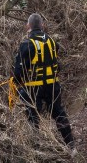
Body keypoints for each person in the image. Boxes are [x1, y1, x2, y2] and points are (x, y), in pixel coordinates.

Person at [11, 13, 74, 149]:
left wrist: (16, 82)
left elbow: (18, 72)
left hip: (34, 88)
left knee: (32, 116)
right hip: (53, 85)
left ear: (28, 26)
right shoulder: (52, 42)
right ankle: (71, 145)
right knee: (58, 113)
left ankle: (36, 147)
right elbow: (56, 64)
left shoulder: (26, 45)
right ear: (42, 25)